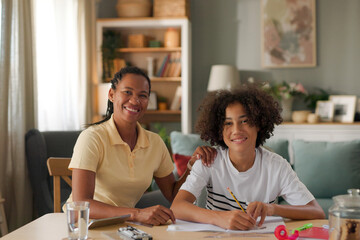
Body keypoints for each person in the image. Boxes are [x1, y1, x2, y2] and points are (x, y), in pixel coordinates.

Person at [65, 66, 216, 225]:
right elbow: (80, 205)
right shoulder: (92, 137)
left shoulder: (155, 143)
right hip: (82, 226)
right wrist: (137, 214)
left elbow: (172, 194)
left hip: (123, 226)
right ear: (111, 94)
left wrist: (192, 164)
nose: (135, 101)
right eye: (127, 92)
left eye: (142, 95)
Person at [171, 85, 325, 230]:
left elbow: (317, 212)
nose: (236, 130)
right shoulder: (209, 161)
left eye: (244, 121)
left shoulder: (276, 165)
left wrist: (272, 208)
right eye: (228, 123)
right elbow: (177, 207)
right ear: (219, 130)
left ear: (258, 124)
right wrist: (219, 218)